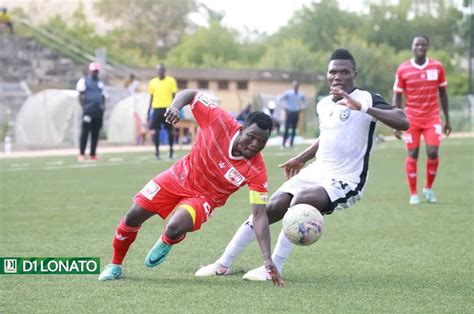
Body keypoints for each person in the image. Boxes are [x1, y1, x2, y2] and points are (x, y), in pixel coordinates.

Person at [195, 48, 409, 281]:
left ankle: (273, 268)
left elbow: (403, 120)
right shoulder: (324, 104)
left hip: (347, 180)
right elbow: (327, 136)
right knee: (270, 208)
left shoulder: (367, 98)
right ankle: (223, 264)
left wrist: (363, 108)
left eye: (344, 72)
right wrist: (302, 158)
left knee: (301, 202)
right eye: (333, 72)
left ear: (354, 74)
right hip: (317, 171)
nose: (338, 76)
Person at [98, 89, 284, 286]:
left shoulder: (256, 170)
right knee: (132, 216)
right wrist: (174, 107)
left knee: (174, 227)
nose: (256, 144)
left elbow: (259, 215)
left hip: (204, 199)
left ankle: (168, 240)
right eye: (252, 136)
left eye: (262, 142)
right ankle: (115, 265)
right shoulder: (218, 120)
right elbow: (191, 94)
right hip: (178, 176)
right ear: (241, 128)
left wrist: (266, 259)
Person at [393, 35, 451, 205]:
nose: (420, 47)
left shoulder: (437, 67)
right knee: (413, 153)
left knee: (432, 152)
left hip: (432, 116)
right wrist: (397, 120)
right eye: (417, 44)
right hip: (411, 117)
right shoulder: (403, 69)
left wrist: (447, 119)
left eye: (423, 44)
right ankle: (413, 193)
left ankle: (428, 187)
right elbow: (397, 95)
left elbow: (443, 93)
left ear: (427, 47)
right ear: (412, 47)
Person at [76, 62, 106, 161]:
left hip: (98, 112)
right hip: (88, 111)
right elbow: (80, 95)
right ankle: (81, 153)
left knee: (95, 133)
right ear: (90, 71)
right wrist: (84, 108)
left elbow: (103, 96)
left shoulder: (100, 83)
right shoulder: (84, 81)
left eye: (97, 71)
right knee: (85, 133)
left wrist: (103, 107)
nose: (95, 73)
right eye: (94, 71)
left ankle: (93, 154)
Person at [148, 63, 178, 159]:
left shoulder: (171, 81)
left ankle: (171, 151)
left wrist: (175, 107)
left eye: (161, 70)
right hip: (156, 108)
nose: (160, 71)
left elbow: (174, 96)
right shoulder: (152, 82)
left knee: (170, 131)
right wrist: (149, 110)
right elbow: (151, 97)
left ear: (164, 71)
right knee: (156, 131)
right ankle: (157, 152)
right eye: (158, 70)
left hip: (167, 108)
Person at [278, 81, 307, 148]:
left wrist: (302, 108)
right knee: (287, 128)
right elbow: (280, 99)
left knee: (294, 129)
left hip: (296, 113)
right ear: (293, 86)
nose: (296, 87)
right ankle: (283, 143)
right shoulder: (288, 93)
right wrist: (284, 107)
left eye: (297, 85)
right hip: (289, 112)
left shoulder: (300, 94)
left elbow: (305, 102)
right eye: (294, 85)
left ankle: (291, 143)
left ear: (298, 86)